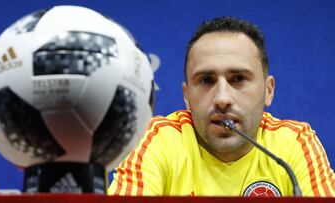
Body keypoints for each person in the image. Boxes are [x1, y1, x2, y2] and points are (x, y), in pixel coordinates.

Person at [108, 16, 335, 196]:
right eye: (206, 80)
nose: (222, 98)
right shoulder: (156, 139)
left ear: (268, 90)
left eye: (238, 79)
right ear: (186, 96)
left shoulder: (294, 144)